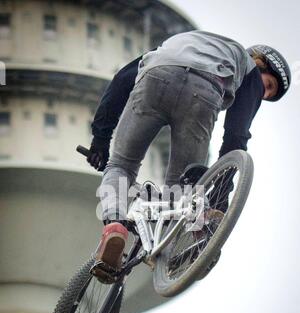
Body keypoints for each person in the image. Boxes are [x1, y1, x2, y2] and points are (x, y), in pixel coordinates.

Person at [87, 30, 291, 283]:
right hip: (204, 93)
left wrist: (100, 138)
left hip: (156, 76)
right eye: (267, 86)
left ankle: (114, 227)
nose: (263, 94)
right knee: (184, 187)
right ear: (261, 62)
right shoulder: (247, 68)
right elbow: (236, 136)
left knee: (120, 165)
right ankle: (200, 231)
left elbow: (122, 80)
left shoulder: (183, 42)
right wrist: (219, 198)